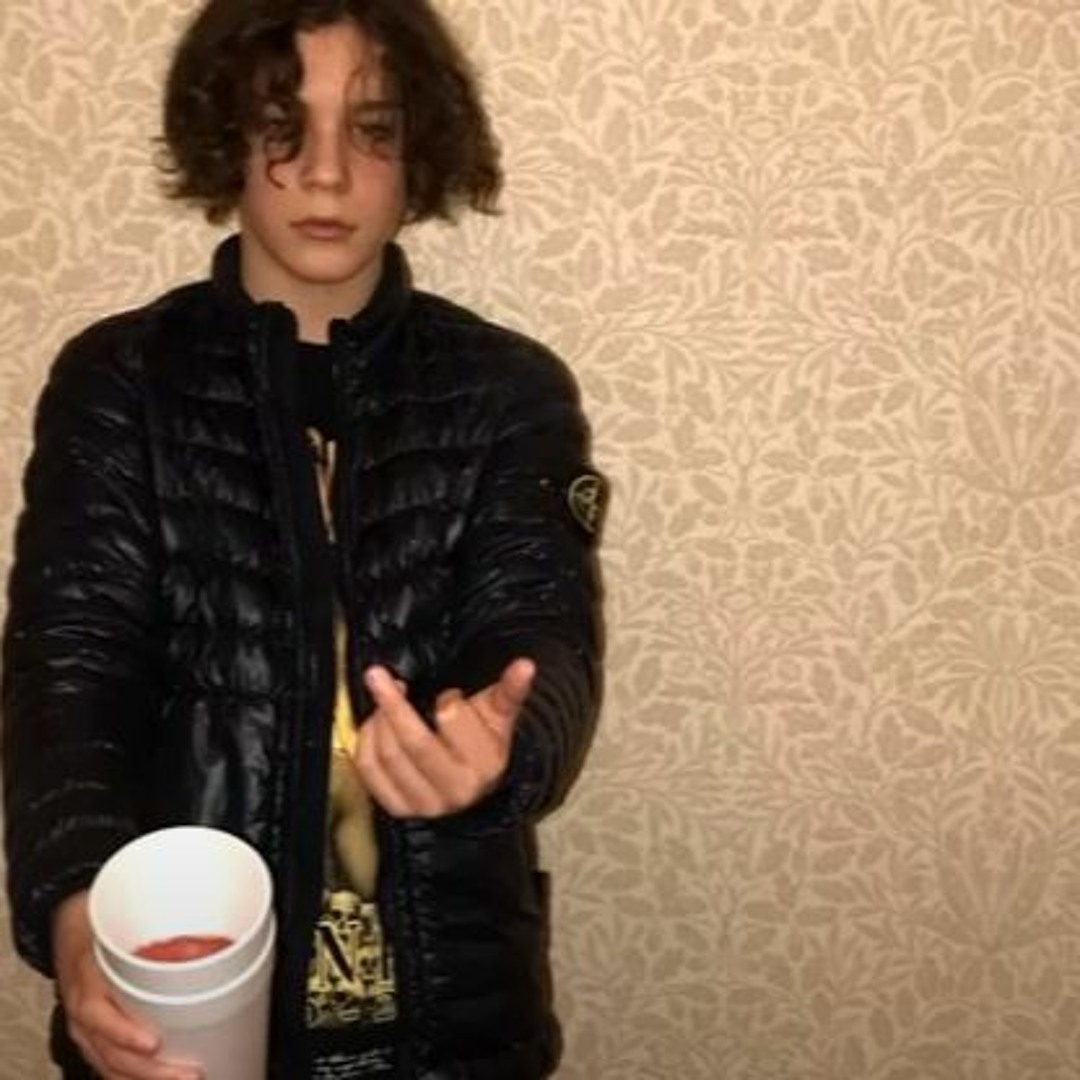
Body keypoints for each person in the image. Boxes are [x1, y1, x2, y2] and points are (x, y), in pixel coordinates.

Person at [1, 0, 606, 1077]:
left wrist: (503, 743)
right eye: (283, 125)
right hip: (178, 999)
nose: (326, 173)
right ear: (225, 139)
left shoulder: (509, 389)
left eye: (372, 130)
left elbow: (543, 634)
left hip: (456, 1012)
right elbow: (69, 679)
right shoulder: (119, 381)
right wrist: (78, 916)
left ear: (419, 152)